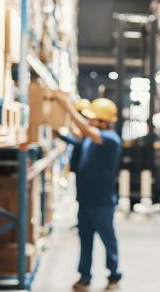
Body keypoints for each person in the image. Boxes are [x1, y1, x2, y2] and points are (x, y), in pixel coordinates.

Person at [56, 97, 123, 291]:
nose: (89, 121)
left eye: (93, 118)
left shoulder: (110, 139)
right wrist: (56, 133)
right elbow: (77, 138)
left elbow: (85, 131)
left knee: (108, 241)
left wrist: (68, 108)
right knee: (85, 241)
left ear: (104, 121)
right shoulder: (89, 139)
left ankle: (114, 277)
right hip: (85, 201)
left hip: (101, 202)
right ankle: (84, 277)